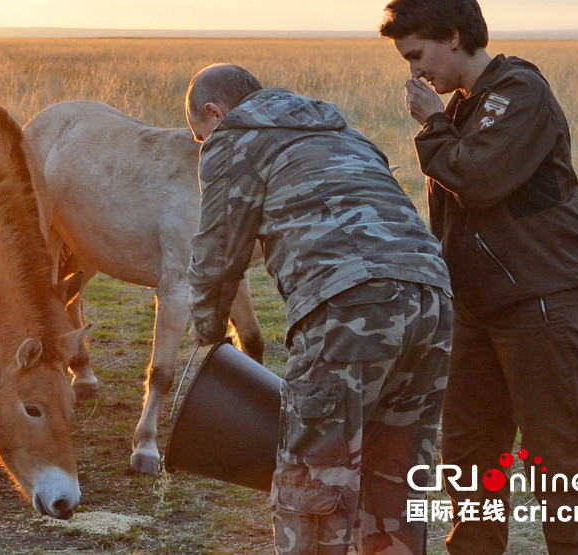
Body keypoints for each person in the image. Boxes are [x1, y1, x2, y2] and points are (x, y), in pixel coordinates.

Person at [380, 0, 578, 554]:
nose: (414, 72)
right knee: (469, 454)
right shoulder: (468, 105)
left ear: (453, 36)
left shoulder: (518, 93)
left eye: (417, 54)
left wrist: (432, 123)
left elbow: (477, 180)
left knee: (555, 459)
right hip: (478, 309)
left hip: (540, 302)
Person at [186, 63, 454, 554]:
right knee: (394, 481)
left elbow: (217, 254)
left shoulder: (234, 137)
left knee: (312, 486)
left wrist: (207, 339)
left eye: (201, 136)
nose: (206, 144)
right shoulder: (343, 131)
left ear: (213, 113)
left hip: (349, 308)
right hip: (434, 300)